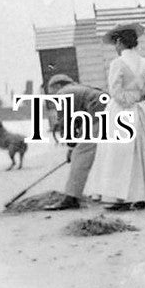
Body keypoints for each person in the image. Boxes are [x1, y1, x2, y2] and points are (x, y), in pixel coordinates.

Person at [84, 23, 145, 210]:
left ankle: (120, 197)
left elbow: (115, 91)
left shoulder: (117, 64)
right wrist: (141, 99)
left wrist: (129, 100)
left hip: (121, 110)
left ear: (120, 42)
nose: (115, 48)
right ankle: (140, 195)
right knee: (141, 150)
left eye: (116, 44)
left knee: (118, 153)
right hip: (141, 111)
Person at [41, 74, 106, 211]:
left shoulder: (62, 94)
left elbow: (66, 123)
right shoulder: (79, 89)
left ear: (58, 86)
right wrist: (72, 147)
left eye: (50, 90)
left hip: (98, 116)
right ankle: (103, 193)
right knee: (102, 155)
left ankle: (71, 197)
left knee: (81, 155)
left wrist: (72, 149)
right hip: (112, 113)